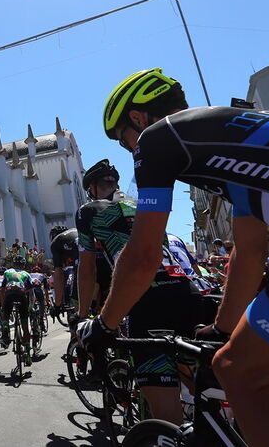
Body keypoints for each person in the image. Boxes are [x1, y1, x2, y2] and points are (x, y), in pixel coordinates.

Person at [81, 66, 269, 445]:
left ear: (139, 118)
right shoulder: (238, 149)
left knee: (243, 375)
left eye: (125, 141)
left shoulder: (160, 137)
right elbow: (249, 251)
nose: (130, 151)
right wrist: (222, 329)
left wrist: (103, 326)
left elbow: (142, 256)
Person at [76, 158, 200, 424]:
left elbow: (87, 271)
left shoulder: (89, 211)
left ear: (91, 189)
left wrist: (83, 315)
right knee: (195, 382)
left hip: (145, 298)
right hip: (184, 290)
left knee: (167, 416)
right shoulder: (140, 204)